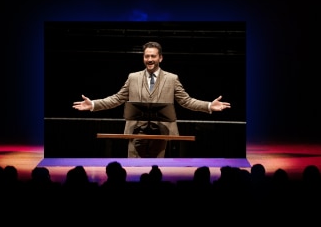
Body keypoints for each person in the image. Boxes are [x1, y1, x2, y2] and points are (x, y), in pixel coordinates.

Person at [73, 41, 230, 157]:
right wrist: (93, 104)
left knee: (156, 169)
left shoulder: (172, 79)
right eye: (146, 56)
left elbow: (186, 101)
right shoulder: (133, 77)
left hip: (160, 132)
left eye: (153, 56)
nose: (149, 59)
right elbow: (117, 98)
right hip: (135, 131)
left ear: (160, 58)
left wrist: (209, 106)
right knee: (133, 169)